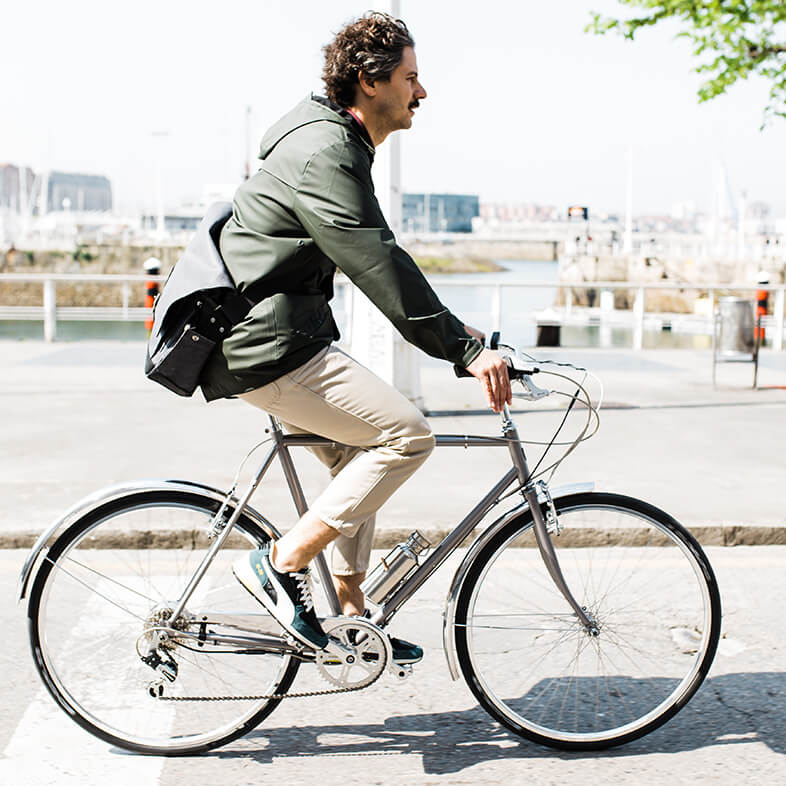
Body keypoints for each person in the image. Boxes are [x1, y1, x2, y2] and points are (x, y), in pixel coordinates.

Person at [199, 12, 511, 661]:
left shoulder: (327, 140)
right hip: (266, 343)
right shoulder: (326, 152)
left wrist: (459, 333)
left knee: (353, 458)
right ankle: (277, 565)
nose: (420, 93)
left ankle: (349, 615)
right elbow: (377, 262)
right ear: (370, 82)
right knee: (407, 433)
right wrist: (465, 351)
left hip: (275, 334)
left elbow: (379, 261)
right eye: (411, 78)